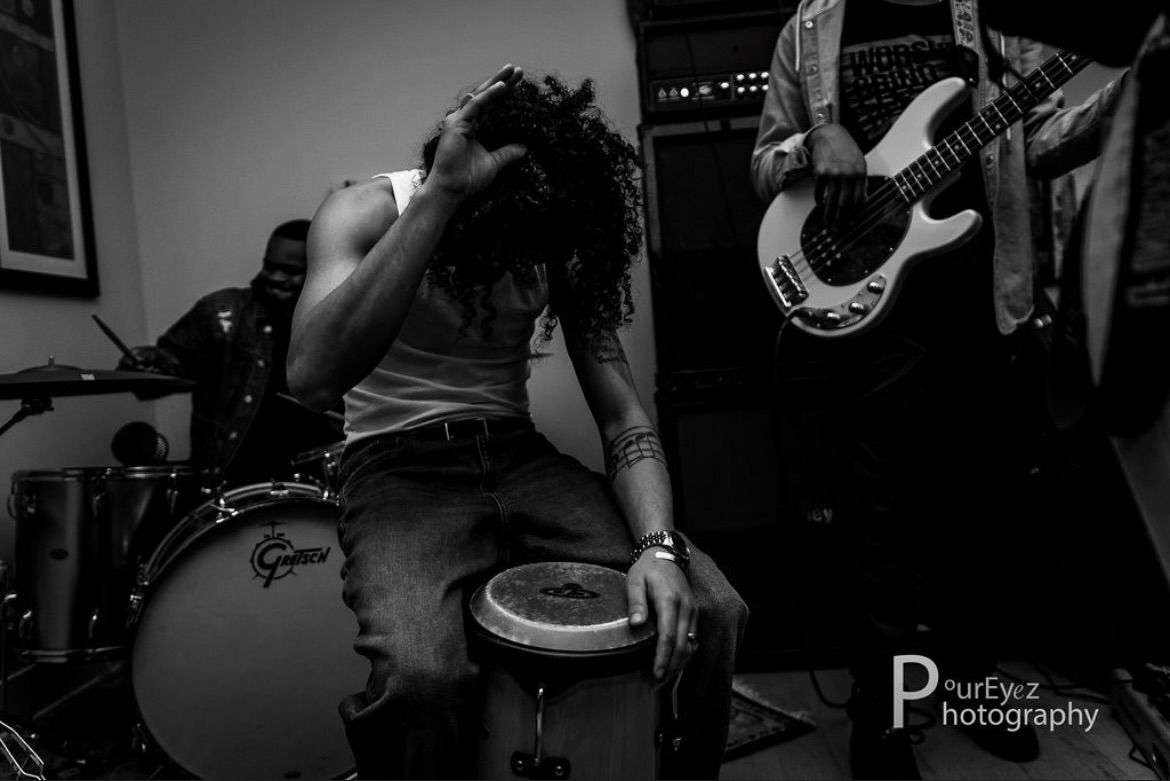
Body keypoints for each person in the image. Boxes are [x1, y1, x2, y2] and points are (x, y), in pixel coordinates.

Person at [288, 66, 747, 779]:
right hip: (396, 468)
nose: (520, 258)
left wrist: (657, 548)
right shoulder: (364, 210)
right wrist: (440, 198)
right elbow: (311, 375)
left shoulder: (550, 228)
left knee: (713, 607)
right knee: (421, 680)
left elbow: (624, 414)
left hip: (519, 457)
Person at [750, 1, 1122, 777]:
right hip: (872, 298)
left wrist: (1137, 90)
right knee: (882, 515)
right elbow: (764, 165)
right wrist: (816, 139)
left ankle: (967, 688)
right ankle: (880, 717)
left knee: (982, 506)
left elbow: (1041, 140)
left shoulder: (990, 20)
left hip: (981, 289)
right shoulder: (810, 28)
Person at [120, 219, 342, 488]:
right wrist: (150, 363)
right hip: (229, 482)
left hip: (316, 485)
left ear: (317, 270)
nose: (275, 277)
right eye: (269, 266)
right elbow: (164, 371)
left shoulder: (339, 318)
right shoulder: (221, 313)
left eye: (289, 270)